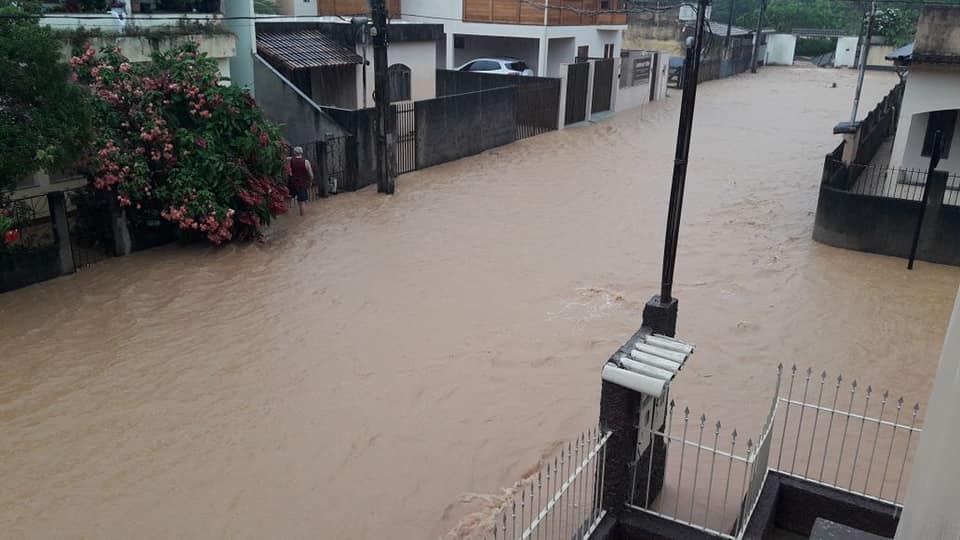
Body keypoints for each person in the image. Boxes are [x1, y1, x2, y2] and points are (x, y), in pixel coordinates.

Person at [288, 146, 314, 217]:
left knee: (289, 199)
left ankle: (287, 215)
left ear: (294, 152)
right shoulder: (306, 162)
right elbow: (311, 174)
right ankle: (303, 218)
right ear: (302, 152)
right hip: (302, 184)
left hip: (292, 183)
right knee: (302, 202)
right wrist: (311, 181)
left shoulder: (290, 160)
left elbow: (287, 168)